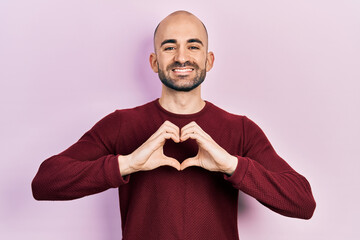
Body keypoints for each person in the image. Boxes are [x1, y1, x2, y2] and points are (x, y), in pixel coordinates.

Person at [32, 10, 316, 240]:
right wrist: (128, 164)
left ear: (209, 60)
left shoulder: (240, 130)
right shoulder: (121, 124)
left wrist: (231, 165)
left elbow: (302, 203)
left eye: (193, 45)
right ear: (154, 62)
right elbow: (45, 183)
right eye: (170, 47)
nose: (182, 57)